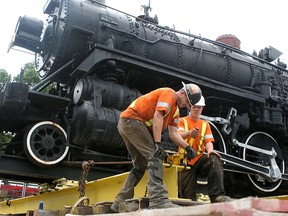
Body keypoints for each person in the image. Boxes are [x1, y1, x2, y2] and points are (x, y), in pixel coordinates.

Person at [111, 82, 202, 212]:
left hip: (127, 123)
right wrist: (157, 144)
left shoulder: (175, 111)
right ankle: (159, 200)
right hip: (133, 122)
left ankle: (119, 201)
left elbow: (174, 134)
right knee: (155, 157)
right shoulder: (169, 94)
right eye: (187, 102)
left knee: (140, 165)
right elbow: (158, 115)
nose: (187, 106)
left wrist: (188, 148)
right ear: (182, 93)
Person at [178, 96, 231, 203]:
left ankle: (217, 195)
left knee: (214, 159)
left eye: (199, 107)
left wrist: (210, 150)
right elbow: (177, 136)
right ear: (190, 107)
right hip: (185, 160)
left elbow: (208, 141)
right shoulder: (182, 121)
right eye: (194, 107)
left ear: (202, 109)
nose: (196, 109)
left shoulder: (205, 124)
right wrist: (189, 133)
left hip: (199, 159)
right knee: (187, 199)